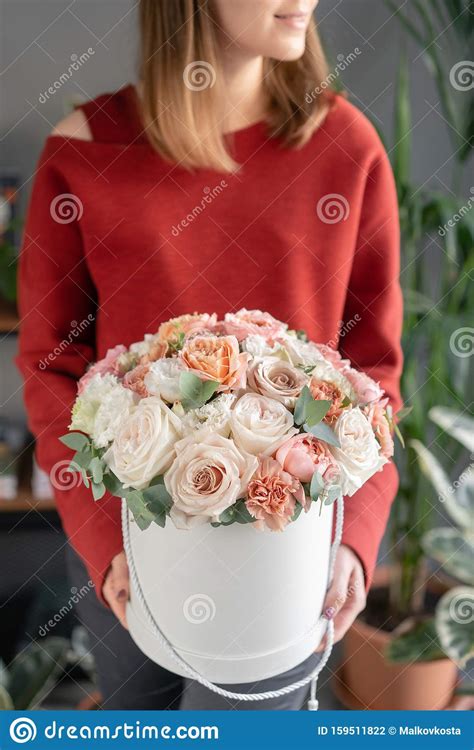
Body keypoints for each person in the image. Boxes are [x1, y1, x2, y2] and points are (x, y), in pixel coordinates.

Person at [17, 0, 403, 710]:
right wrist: (105, 541)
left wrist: (356, 533)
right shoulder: (83, 154)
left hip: (285, 551)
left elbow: (374, 367)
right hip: (126, 545)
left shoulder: (347, 145)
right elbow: (50, 367)